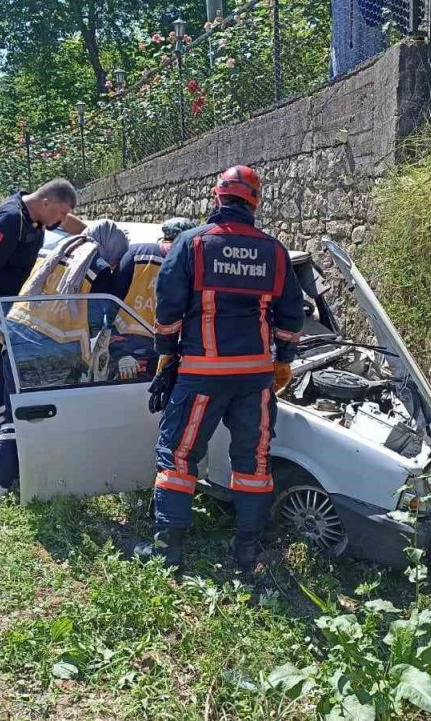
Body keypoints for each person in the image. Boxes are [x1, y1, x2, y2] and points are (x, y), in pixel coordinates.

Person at [134, 166, 305, 573]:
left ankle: (168, 550)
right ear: (254, 202)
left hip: (202, 374)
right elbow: (291, 315)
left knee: (178, 457)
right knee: (254, 460)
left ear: (217, 198)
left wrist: (165, 352)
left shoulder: (192, 244)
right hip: (255, 377)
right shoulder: (275, 251)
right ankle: (248, 551)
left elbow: (168, 304)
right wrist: (282, 359)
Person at [0, 179, 82, 507]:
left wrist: (92, 233)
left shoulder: (38, 214)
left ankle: (8, 460)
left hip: (8, 308)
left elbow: (71, 222)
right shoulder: (9, 219)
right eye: (57, 213)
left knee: (8, 380)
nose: (59, 222)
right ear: (45, 203)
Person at [0, 219, 127, 494]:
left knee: (16, 416)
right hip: (48, 352)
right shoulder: (97, 269)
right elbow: (99, 317)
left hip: (14, 340)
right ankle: (32, 485)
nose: (115, 262)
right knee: (42, 421)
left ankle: (6, 483)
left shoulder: (57, 251)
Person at [110, 216, 197, 380]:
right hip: (168, 351)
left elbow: (111, 300)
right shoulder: (189, 262)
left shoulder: (135, 253)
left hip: (128, 347)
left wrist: (119, 353)